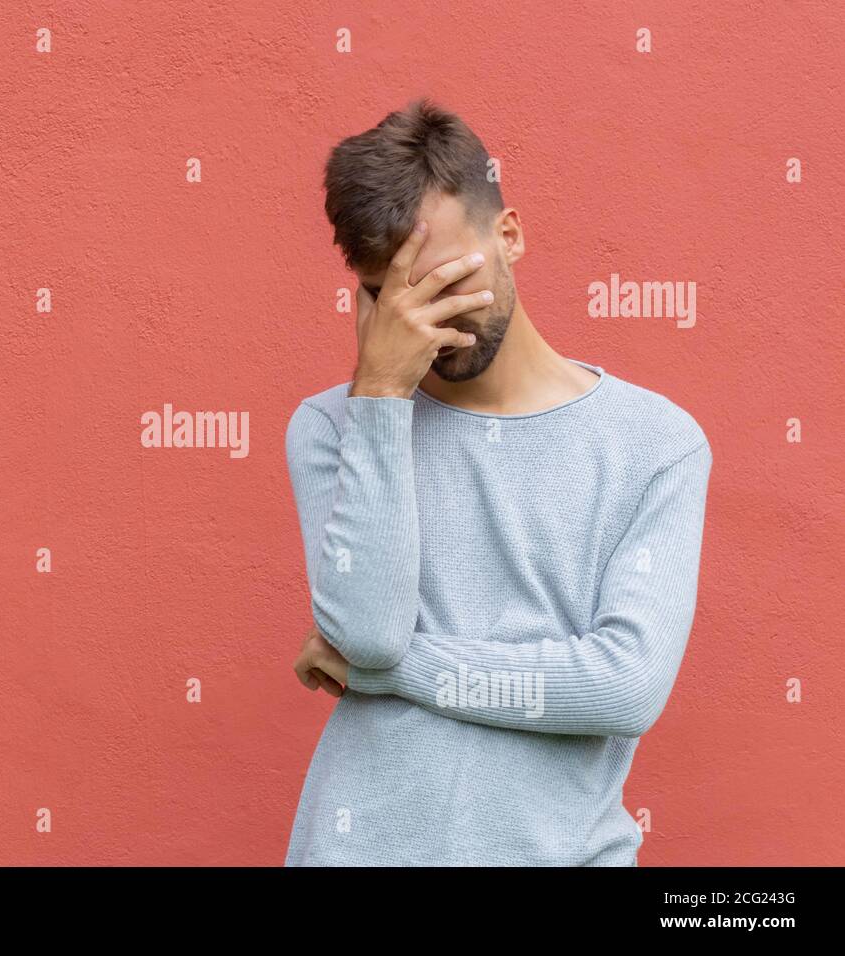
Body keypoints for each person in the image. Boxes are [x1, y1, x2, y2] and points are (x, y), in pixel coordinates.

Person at [284, 98, 712, 866]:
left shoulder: (656, 445)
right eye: (391, 297)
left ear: (508, 235)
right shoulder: (333, 425)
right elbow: (373, 631)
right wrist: (379, 396)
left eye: (449, 280)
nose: (429, 321)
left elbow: (624, 690)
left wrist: (392, 674)